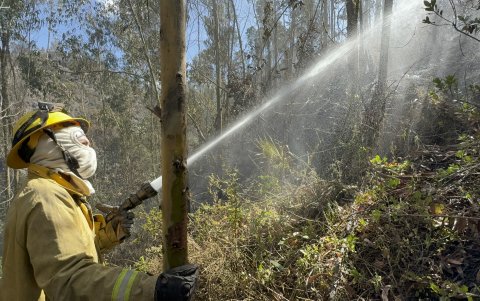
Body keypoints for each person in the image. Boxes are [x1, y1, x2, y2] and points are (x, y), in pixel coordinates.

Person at [0, 102, 198, 301]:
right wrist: (152, 289)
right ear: (47, 143)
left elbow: (65, 250)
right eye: (79, 139)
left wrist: (106, 233)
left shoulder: (53, 191)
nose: (88, 144)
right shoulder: (46, 196)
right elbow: (70, 279)